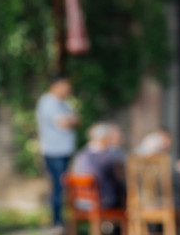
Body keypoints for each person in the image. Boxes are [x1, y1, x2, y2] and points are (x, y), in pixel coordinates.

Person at [36, 75, 78, 227]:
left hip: (65, 151)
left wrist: (72, 120)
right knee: (57, 186)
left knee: (64, 187)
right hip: (54, 152)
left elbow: (76, 120)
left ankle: (64, 220)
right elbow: (65, 123)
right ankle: (57, 221)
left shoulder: (64, 103)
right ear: (56, 86)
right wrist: (71, 120)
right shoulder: (48, 102)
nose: (68, 89)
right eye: (65, 86)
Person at [72, 123, 126, 209]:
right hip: (101, 202)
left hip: (82, 202)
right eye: (109, 139)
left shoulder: (81, 155)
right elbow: (119, 180)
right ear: (104, 139)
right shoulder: (106, 158)